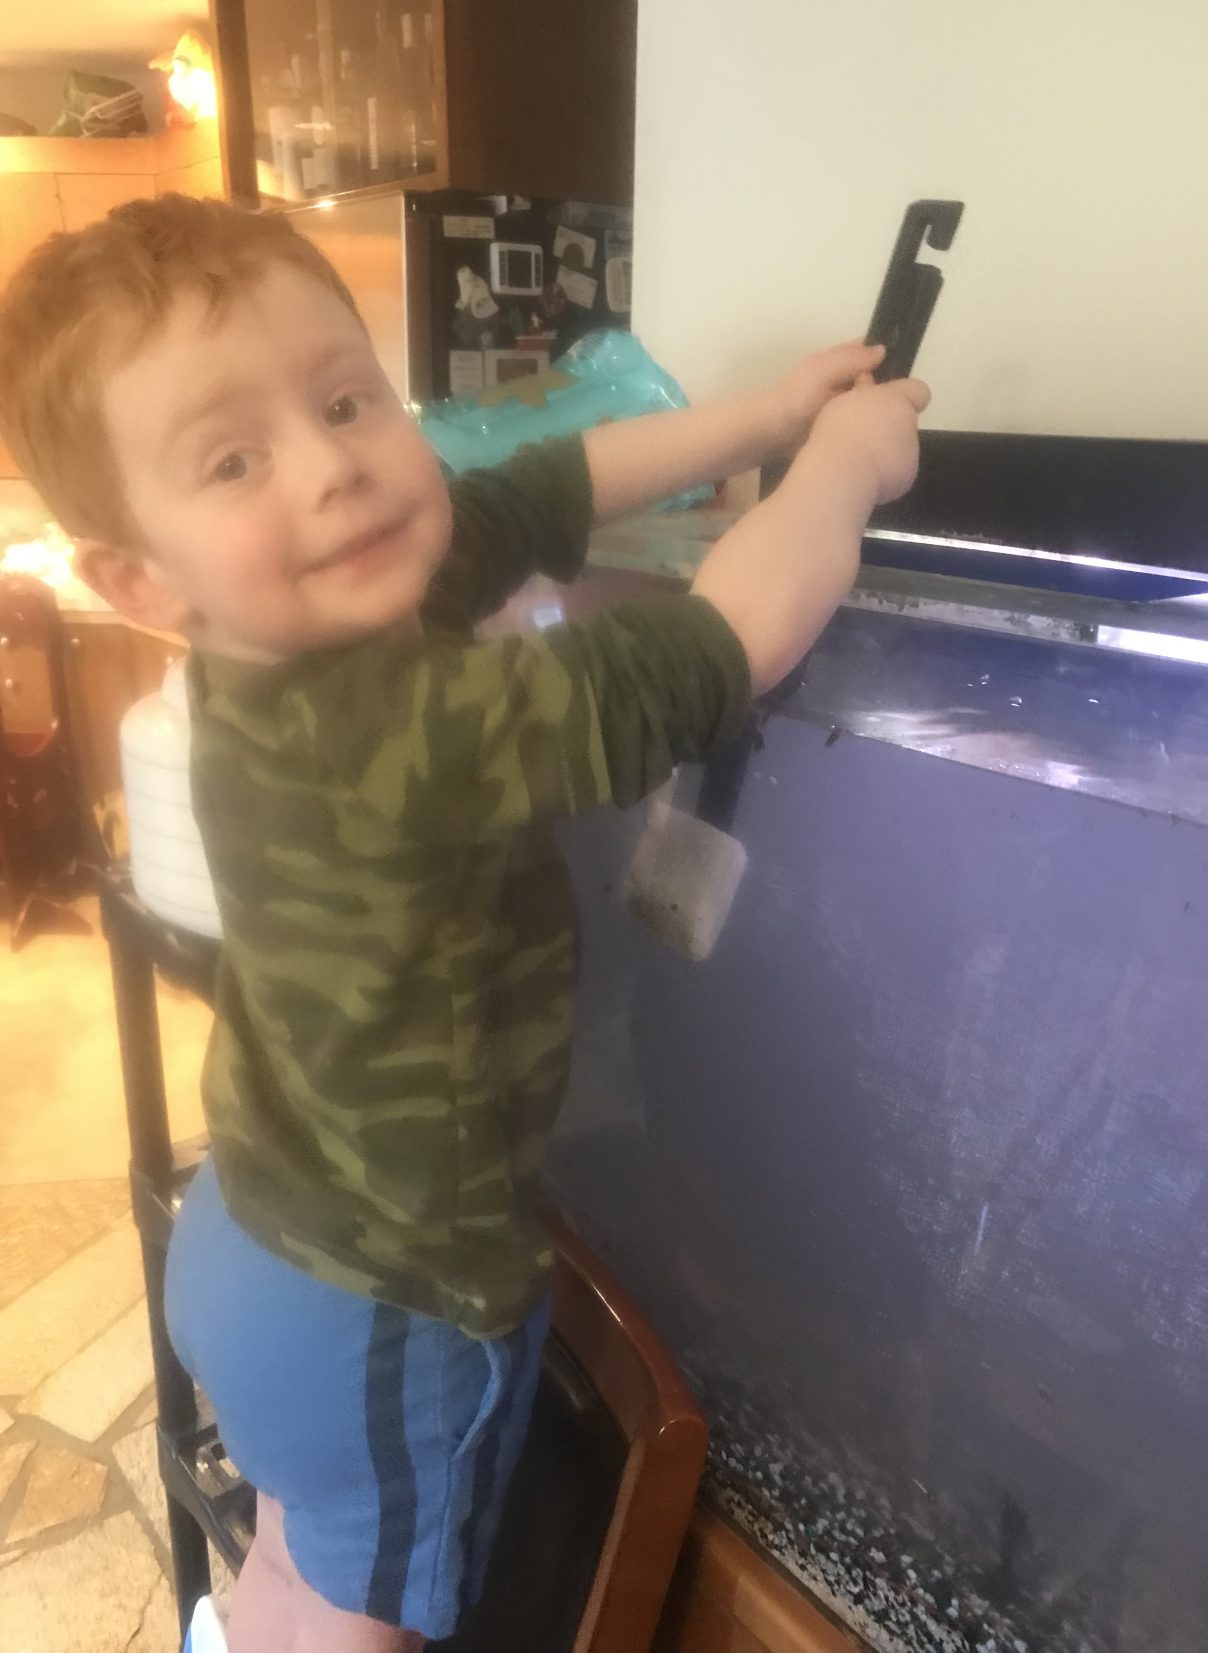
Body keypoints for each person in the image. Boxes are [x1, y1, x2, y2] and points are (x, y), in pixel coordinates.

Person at [0, 194, 928, 1653]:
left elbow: (548, 486)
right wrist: (845, 467)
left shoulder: (302, 633)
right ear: (136, 581)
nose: (331, 467)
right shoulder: (388, 730)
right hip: (386, 1303)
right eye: (235, 458)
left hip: (255, 1230)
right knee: (370, 1623)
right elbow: (713, 648)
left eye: (344, 400)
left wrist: (766, 414)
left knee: (297, 1550)